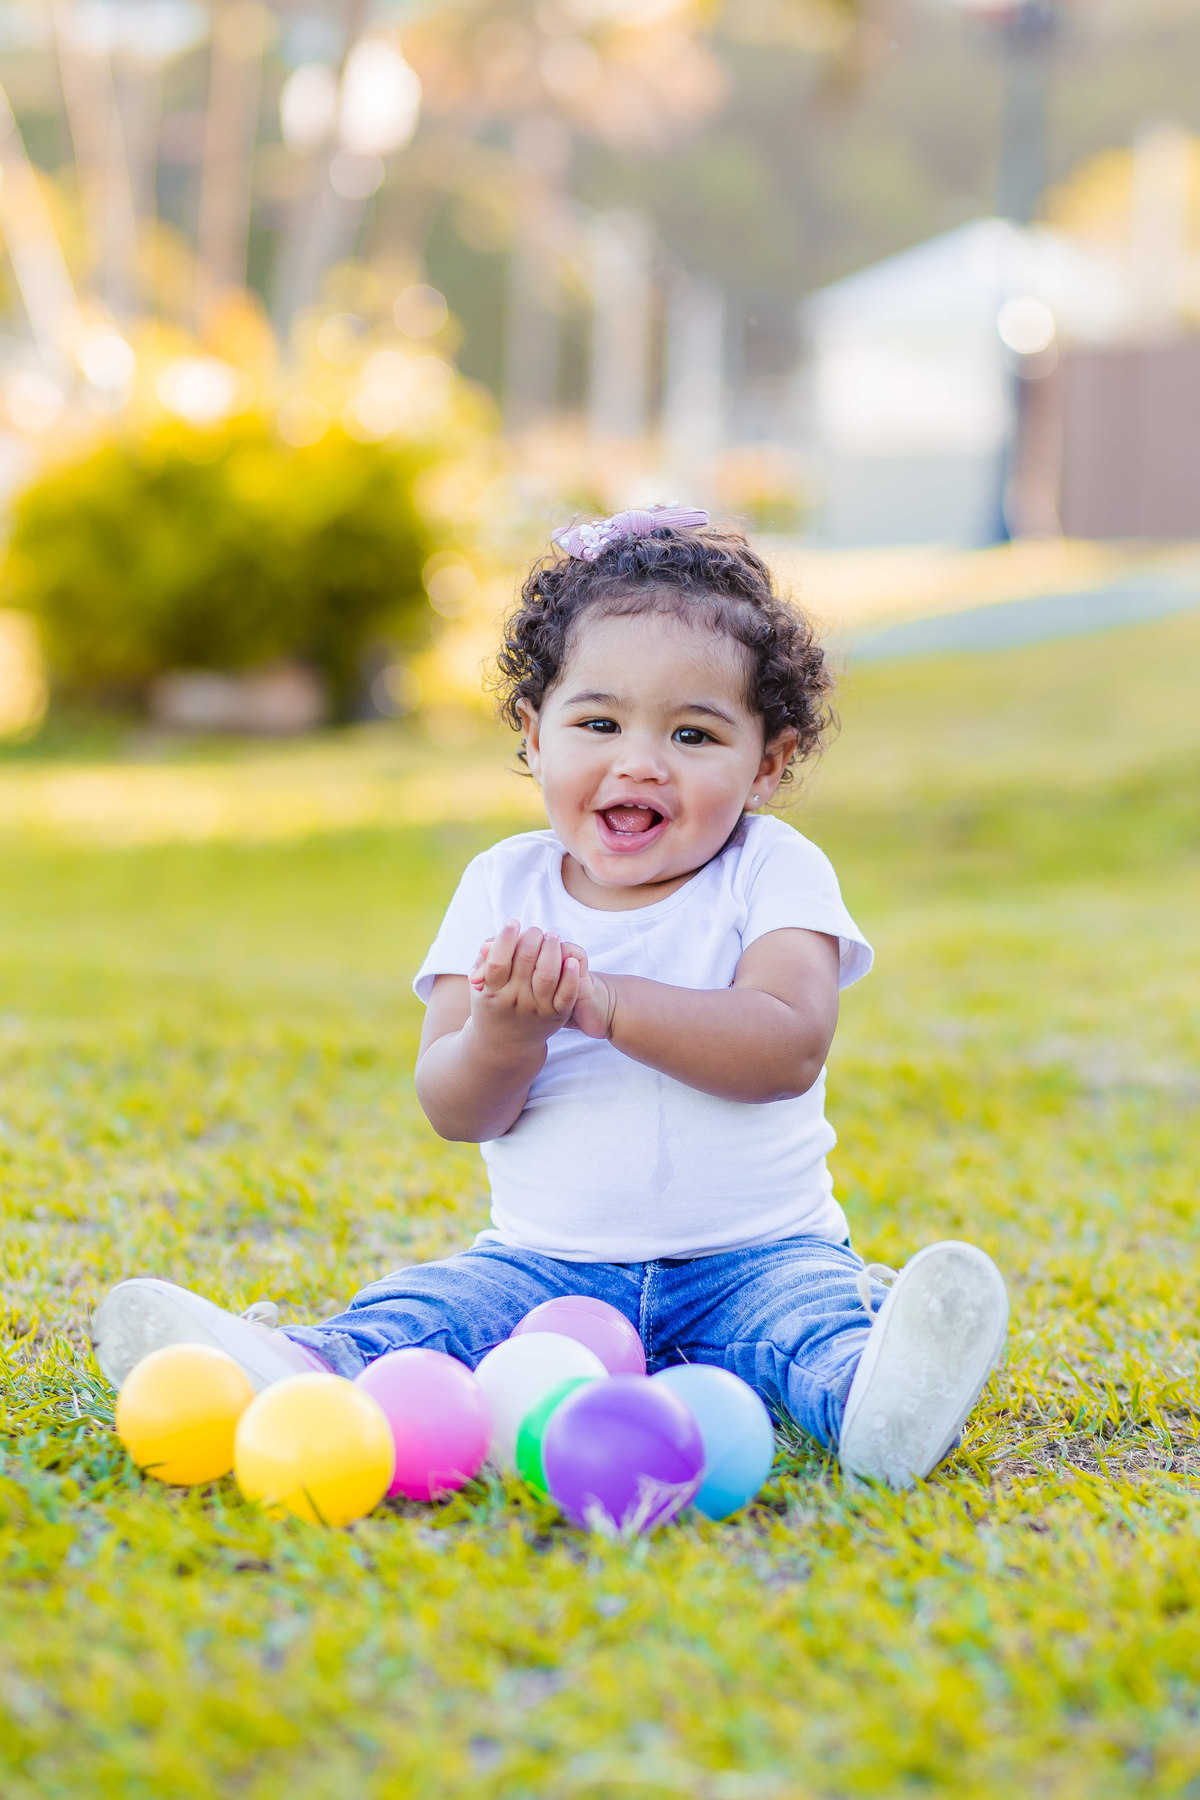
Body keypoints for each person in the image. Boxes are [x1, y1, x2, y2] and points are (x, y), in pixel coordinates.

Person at [92, 506, 1008, 1489]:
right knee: (431, 1316)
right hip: (545, 1266)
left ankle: (878, 1397)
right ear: (534, 734)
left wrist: (605, 1003)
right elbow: (454, 1106)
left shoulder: (770, 871)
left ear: (768, 763)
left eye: (694, 734)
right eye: (599, 722)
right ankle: (290, 1370)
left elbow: (785, 1048)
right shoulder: (503, 886)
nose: (641, 760)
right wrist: (504, 1034)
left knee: (804, 1327)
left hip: (757, 1256)